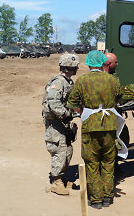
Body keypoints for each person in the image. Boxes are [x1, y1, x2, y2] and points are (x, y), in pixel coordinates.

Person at [67, 50, 124, 210]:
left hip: (90, 126)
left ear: (89, 63)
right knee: (108, 161)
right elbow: (120, 98)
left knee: (92, 163)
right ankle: (107, 197)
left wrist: (83, 111)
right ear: (103, 63)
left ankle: (96, 199)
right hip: (110, 125)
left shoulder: (82, 80)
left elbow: (72, 102)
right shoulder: (112, 80)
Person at [42, 53, 80, 196]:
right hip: (55, 123)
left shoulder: (68, 82)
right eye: (75, 66)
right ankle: (56, 182)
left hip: (63, 123)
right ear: (69, 67)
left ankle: (62, 178)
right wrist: (67, 114)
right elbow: (53, 102)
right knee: (59, 150)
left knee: (67, 151)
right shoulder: (57, 82)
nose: (77, 68)